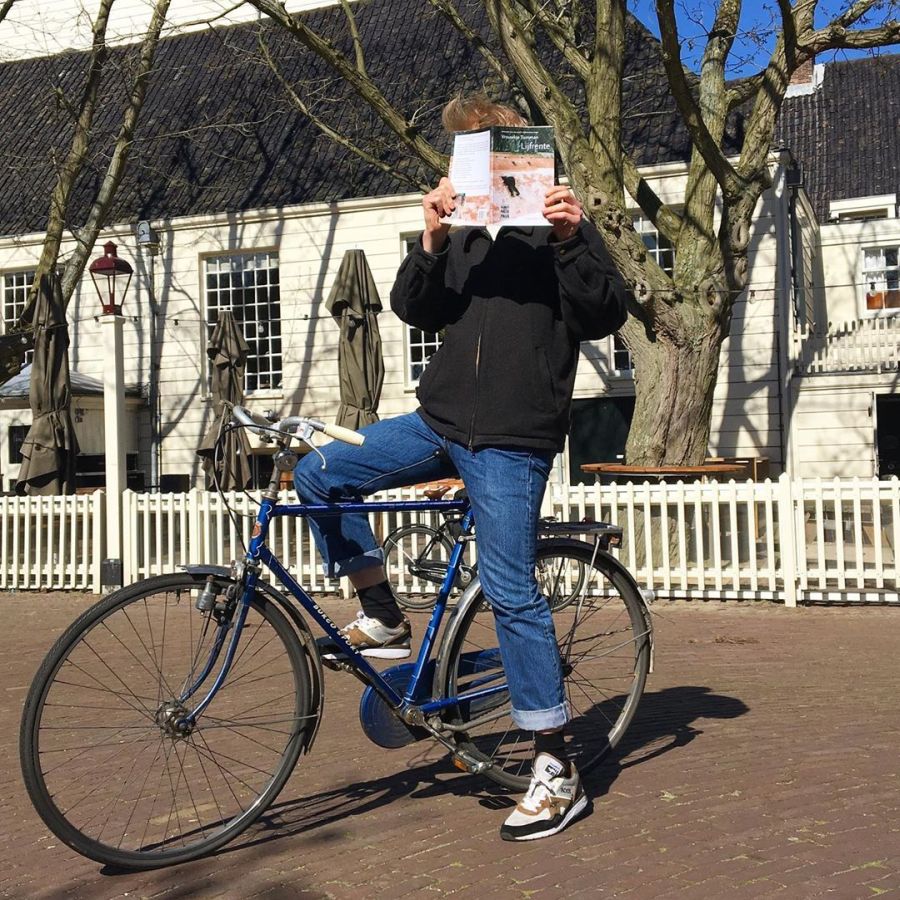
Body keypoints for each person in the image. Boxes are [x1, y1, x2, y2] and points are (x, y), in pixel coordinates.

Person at [294, 93, 629, 840]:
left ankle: (557, 767)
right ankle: (384, 616)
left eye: (483, 147)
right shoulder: (467, 232)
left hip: (513, 436)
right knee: (319, 473)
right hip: (439, 421)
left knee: (510, 589)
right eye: (463, 152)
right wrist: (432, 236)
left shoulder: (562, 224)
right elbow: (415, 308)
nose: (470, 163)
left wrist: (571, 240)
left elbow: (606, 312)